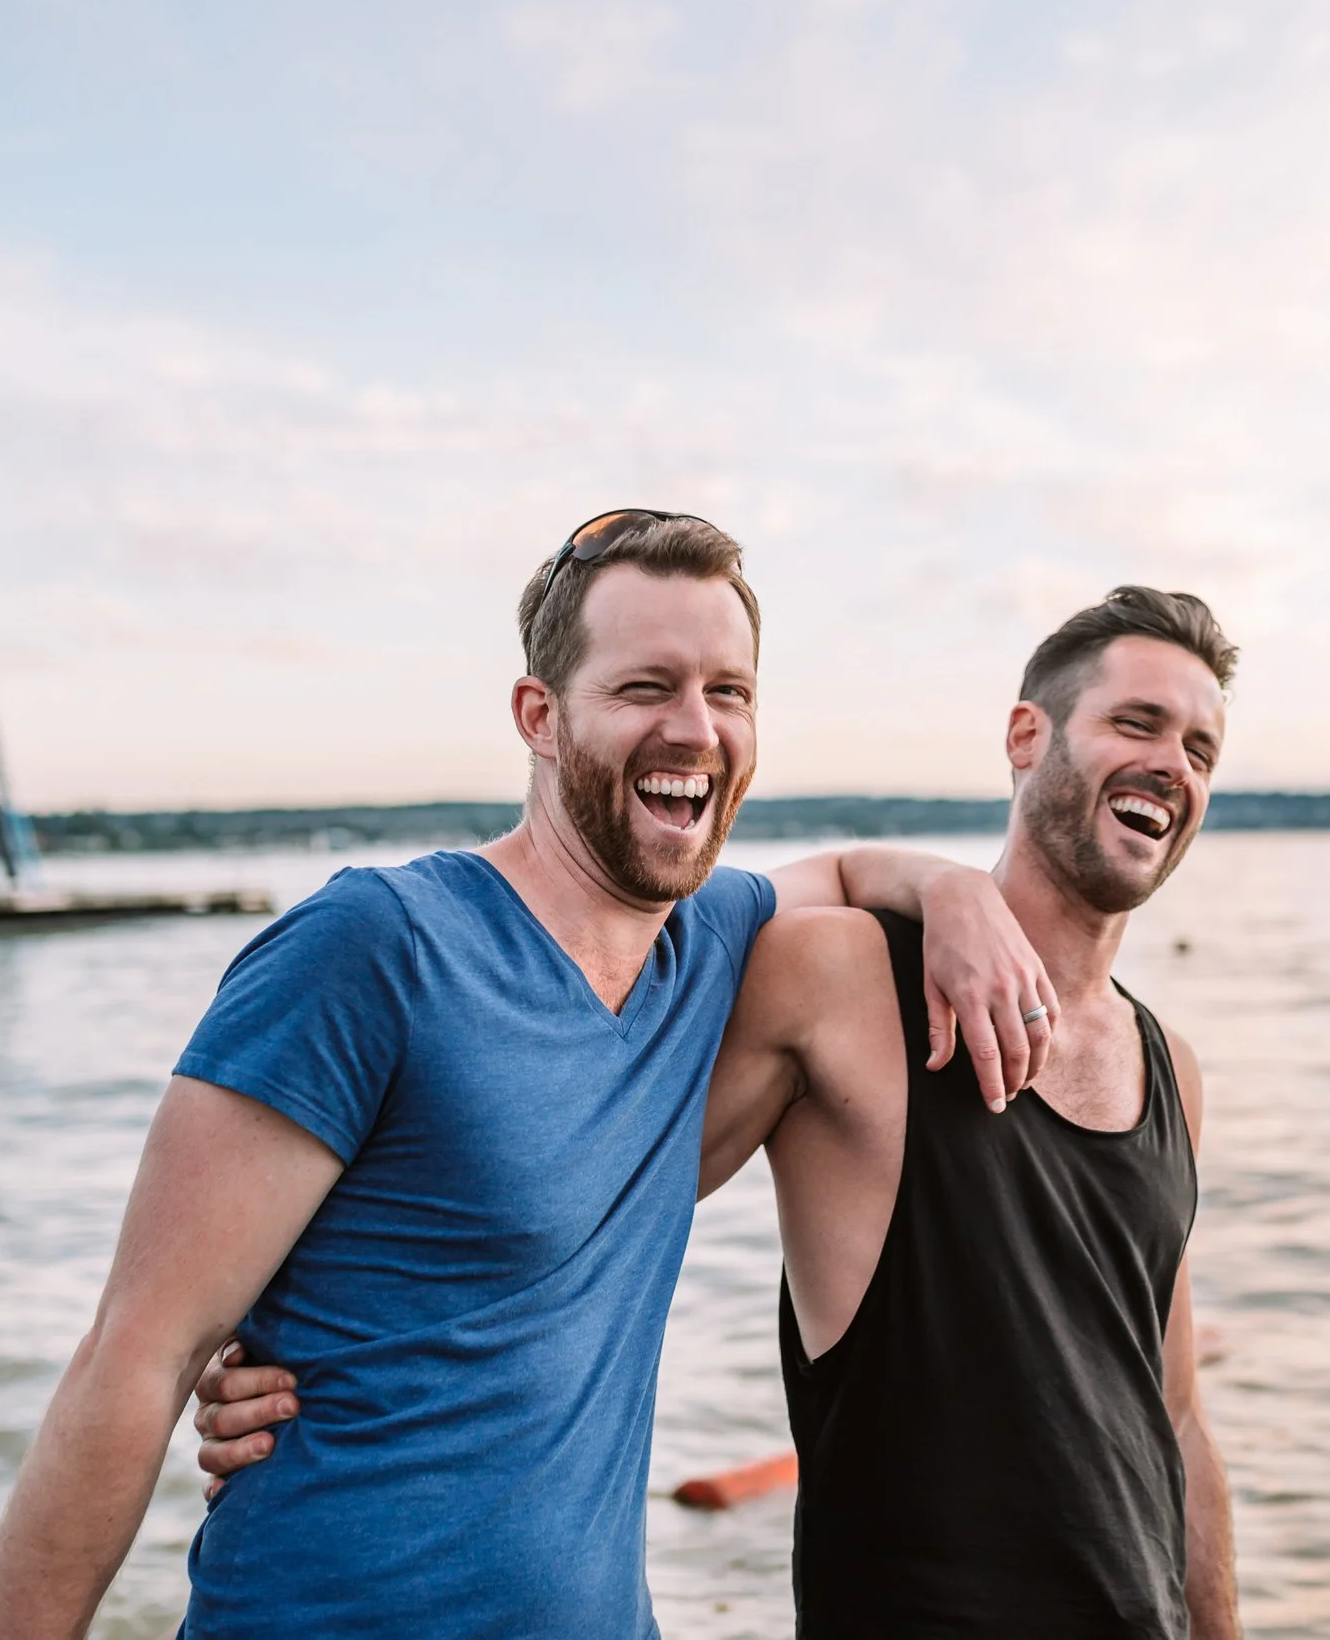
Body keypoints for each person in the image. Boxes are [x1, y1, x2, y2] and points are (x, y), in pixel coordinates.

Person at [0, 511, 1056, 1640]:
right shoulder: (374, 944)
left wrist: (953, 892)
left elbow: (835, 867)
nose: (695, 728)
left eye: (729, 692)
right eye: (647, 686)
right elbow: (134, 1358)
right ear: (539, 716)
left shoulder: (708, 942)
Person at [201, 587, 1245, 1638]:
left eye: (1200, 746)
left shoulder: (1172, 1072)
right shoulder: (833, 978)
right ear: (1028, 736)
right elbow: (567, 1185)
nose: (1173, 764)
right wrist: (316, 1330)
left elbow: (1178, 1416)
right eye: (1137, 722)